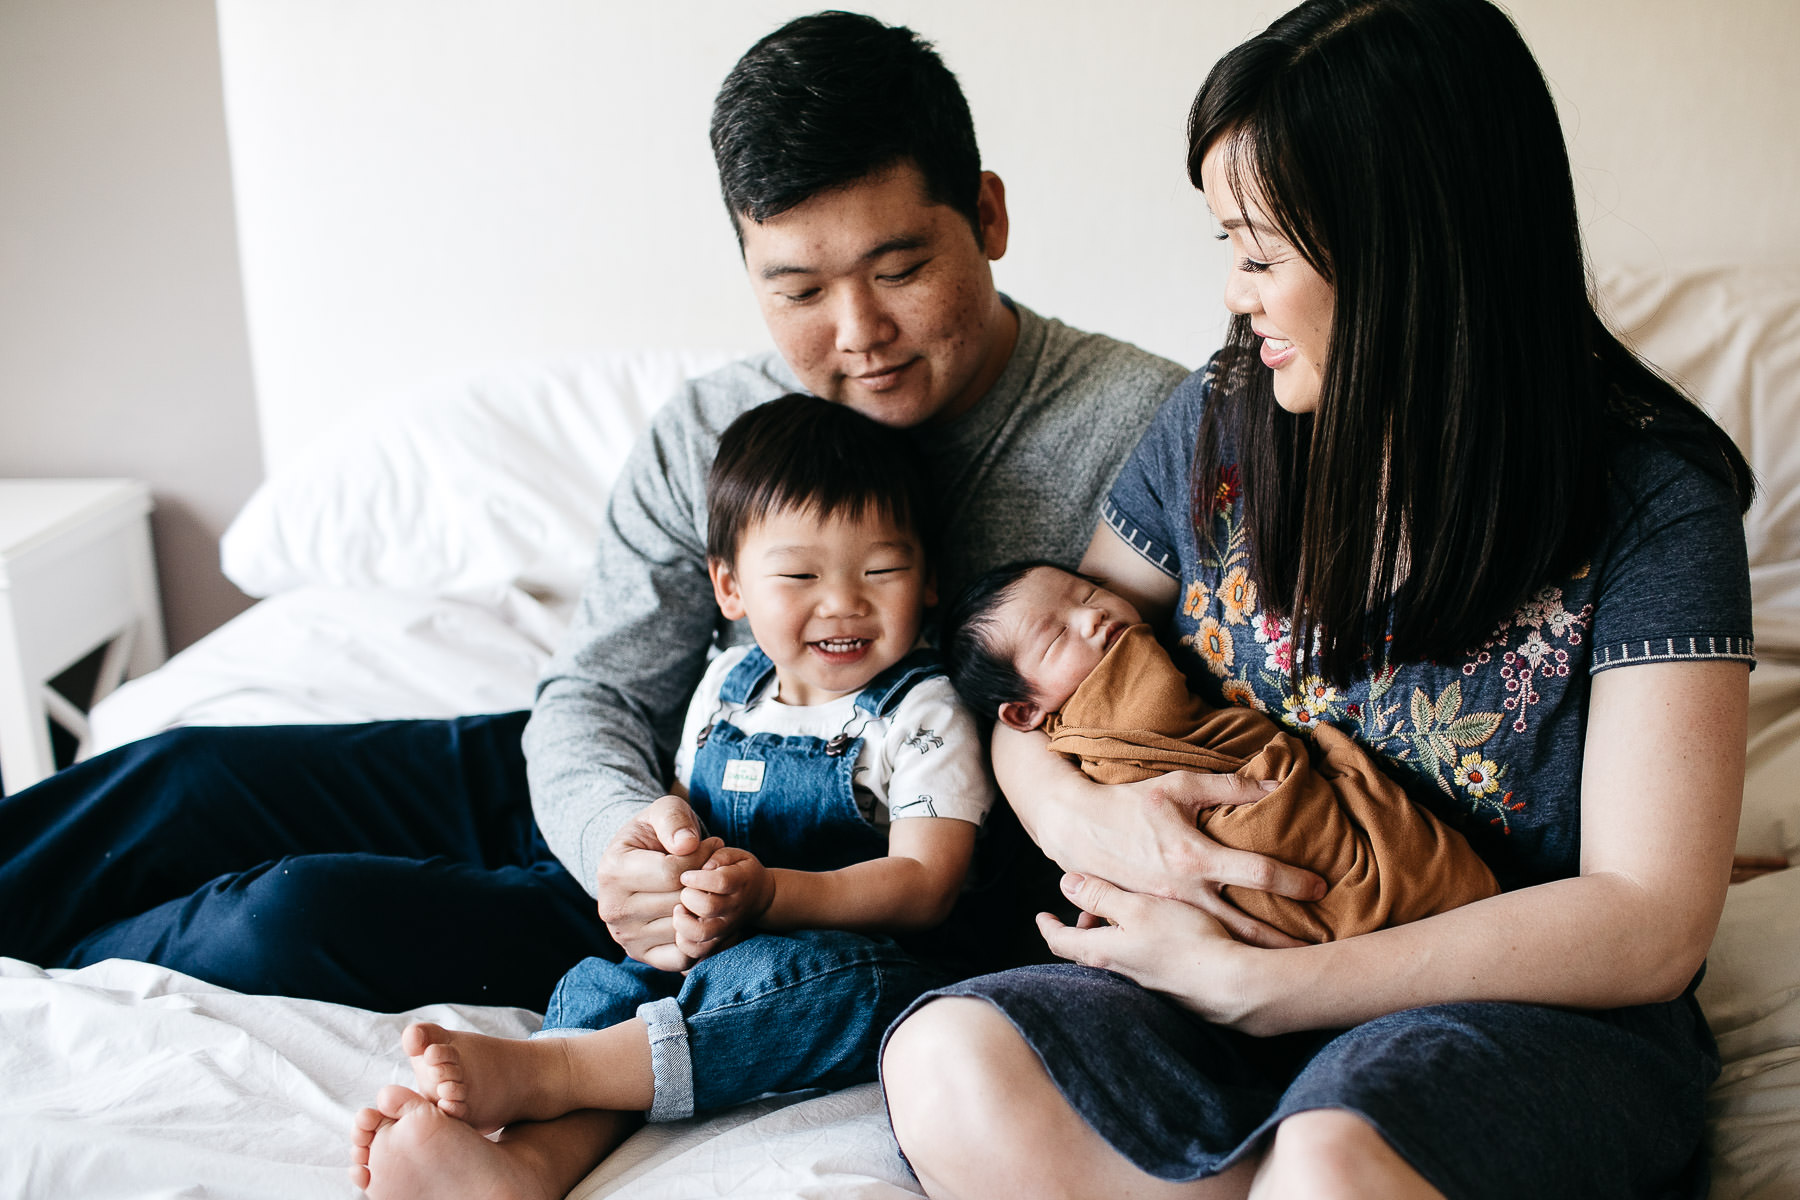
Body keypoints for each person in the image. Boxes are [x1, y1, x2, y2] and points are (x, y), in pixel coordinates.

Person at [0, 7, 1195, 1197]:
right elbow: (596, 691)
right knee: (184, 778)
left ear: (986, 216)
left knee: (280, 918)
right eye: (797, 289)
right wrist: (614, 837)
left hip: (804, 883)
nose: (856, 336)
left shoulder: (1143, 438)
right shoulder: (712, 426)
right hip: (652, 797)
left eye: (900, 271)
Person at [880, 2, 1754, 1198]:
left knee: (1333, 1163)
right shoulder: (1222, 415)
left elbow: (1650, 922)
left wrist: (1273, 987)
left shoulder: (1654, 505)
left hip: (1504, 1008)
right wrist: (1073, 817)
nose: (1234, 295)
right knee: (947, 1057)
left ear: (1405, 251)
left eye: (1259, 251)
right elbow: (1038, 659)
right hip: (1210, 971)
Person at [349, 393, 994, 1193]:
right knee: (606, 988)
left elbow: (926, 886)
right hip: (713, 940)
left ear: (928, 582)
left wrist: (770, 897)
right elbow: (690, 796)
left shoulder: (922, 712)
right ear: (729, 588)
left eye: (882, 570)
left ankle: (547, 1076)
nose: (843, 602)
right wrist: (671, 848)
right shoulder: (729, 684)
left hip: (872, 960)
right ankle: (519, 1168)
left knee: (808, 988)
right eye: (799, 574)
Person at [941, 560, 1497, 943]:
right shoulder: (1101, 712)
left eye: (1087, 594)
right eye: (1056, 636)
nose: (1090, 616)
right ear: (1021, 715)